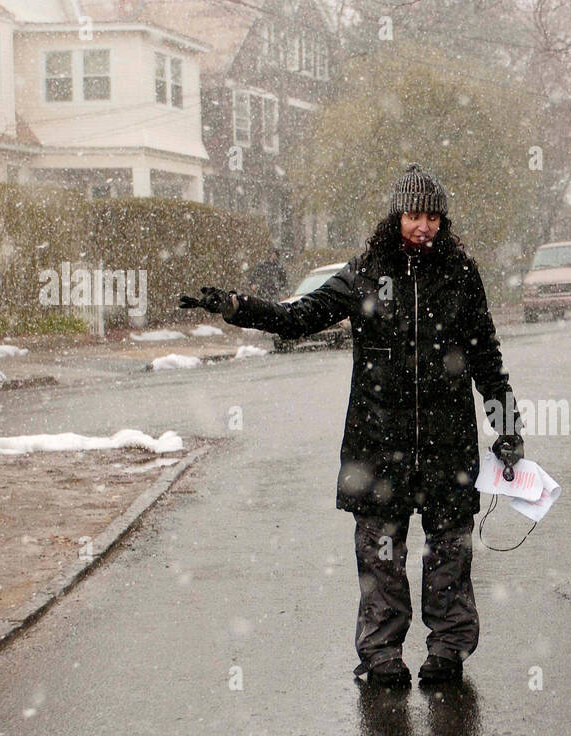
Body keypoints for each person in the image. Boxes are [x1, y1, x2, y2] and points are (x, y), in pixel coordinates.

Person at [180, 164, 524, 687]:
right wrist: (237, 306)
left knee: (449, 551)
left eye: (433, 216)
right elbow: (301, 316)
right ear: (396, 216)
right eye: (414, 215)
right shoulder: (364, 272)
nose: (423, 226)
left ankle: (448, 650)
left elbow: (485, 358)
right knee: (381, 553)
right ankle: (382, 654)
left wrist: (506, 425)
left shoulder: (460, 275)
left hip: (446, 444)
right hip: (377, 444)